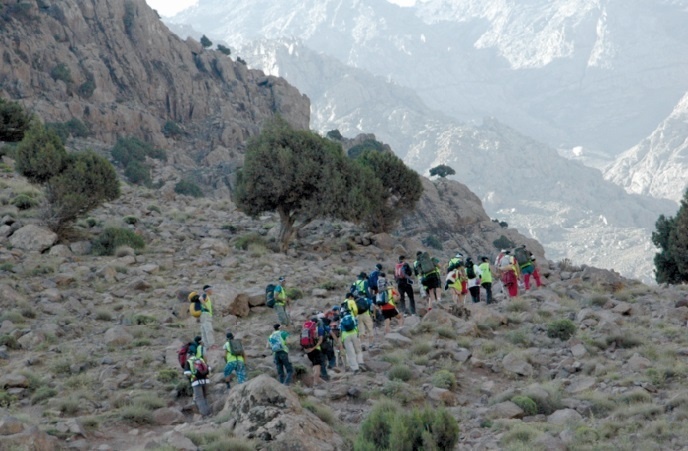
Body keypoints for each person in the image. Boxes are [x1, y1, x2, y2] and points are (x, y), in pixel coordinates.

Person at [184, 336, 210, 416]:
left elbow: (187, 373)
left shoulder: (188, 361)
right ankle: (209, 412)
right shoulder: (200, 359)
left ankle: (205, 414)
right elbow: (208, 368)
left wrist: (192, 375)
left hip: (196, 381)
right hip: (205, 380)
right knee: (205, 396)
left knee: (199, 398)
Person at [301, 315, 330, 384]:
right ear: (317, 322)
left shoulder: (306, 329)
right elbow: (320, 340)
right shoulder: (319, 329)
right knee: (318, 368)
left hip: (308, 351)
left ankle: (319, 381)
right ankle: (315, 383)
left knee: (315, 366)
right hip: (316, 350)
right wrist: (314, 347)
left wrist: (308, 349)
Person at [339, 306, 366, 374]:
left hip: (346, 336)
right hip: (354, 334)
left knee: (350, 353)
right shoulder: (352, 317)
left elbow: (341, 330)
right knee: (358, 350)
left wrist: (342, 341)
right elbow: (356, 326)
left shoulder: (341, 320)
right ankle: (361, 363)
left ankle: (355, 369)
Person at [199, 285, 216, 349]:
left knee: (204, 330)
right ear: (208, 290)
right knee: (209, 329)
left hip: (203, 315)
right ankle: (211, 345)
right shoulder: (205, 295)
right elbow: (200, 299)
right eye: (211, 289)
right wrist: (206, 307)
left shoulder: (206, 296)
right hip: (206, 314)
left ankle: (206, 346)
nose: (212, 291)